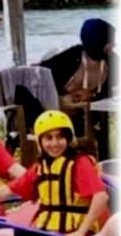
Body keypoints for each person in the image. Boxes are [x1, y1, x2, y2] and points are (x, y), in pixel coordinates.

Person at [39, 18, 117, 157]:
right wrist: (66, 98)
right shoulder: (70, 57)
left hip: (90, 113)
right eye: (110, 41)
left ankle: (103, 164)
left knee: (100, 133)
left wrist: (95, 94)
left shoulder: (112, 60)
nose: (114, 44)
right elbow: (39, 78)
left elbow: (109, 91)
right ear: (97, 41)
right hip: (62, 114)